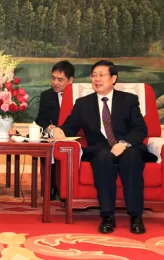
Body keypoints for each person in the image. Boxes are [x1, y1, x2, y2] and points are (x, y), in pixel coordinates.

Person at [53, 60, 157, 234]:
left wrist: (123, 144)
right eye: (94, 75)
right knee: (103, 158)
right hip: (100, 150)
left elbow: (141, 129)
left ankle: (136, 217)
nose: (97, 79)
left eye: (102, 75)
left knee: (131, 158)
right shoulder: (83, 104)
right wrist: (55, 131)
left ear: (113, 78)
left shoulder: (128, 100)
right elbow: (67, 128)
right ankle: (107, 216)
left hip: (128, 147)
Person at [35, 60, 75, 200]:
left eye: (60, 79)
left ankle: (68, 189)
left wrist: (63, 131)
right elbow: (40, 118)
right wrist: (49, 127)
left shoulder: (79, 95)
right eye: (53, 78)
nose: (55, 83)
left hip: (73, 136)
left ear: (70, 80)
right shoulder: (47, 95)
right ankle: (50, 187)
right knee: (47, 147)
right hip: (53, 136)